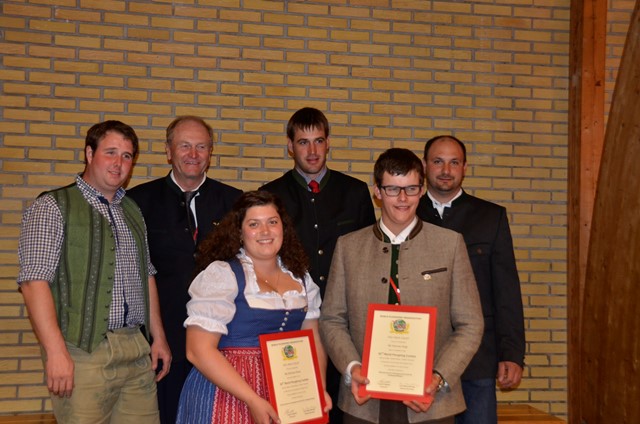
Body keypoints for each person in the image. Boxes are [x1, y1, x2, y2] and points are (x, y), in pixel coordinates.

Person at [17, 120, 171, 423]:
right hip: (82, 352)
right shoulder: (52, 206)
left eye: (127, 156)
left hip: (136, 348)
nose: (118, 163)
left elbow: (147, 275)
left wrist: (159, 338)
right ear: (89, 153)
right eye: (110, 152)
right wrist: (55, 352)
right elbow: (34, 283)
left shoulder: (132, 210)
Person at [319, 148, 483, 424]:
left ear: (422, 190)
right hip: (364, 404)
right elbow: (331, 320)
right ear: (378, 192)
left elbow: (471, 324)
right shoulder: (348, 247)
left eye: (411, 188)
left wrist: (439, 377)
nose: (403, 198)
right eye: (393, 189)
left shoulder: (450, 244)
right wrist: (352, 367)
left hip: (431, 403)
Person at [176, 190, 331, 424]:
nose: (265, 231)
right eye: (254, 224)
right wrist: (252, 399)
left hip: (287, 390)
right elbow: (198, 351)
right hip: (228, 392)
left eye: (272, 222)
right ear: (239, 232)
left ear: (283, 228)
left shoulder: (301, 278)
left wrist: (317, 389)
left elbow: (313, 341)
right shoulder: (223, 275)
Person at [260, 107, 376, 422]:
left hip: (347, 320)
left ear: (328, 143)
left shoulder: (355, 192)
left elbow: (370, 256)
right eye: (303, 142)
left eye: (319, 141)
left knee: (348, 406)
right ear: (290, 146)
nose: (312, 151)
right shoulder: (271, 195)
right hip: (293, 319)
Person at [127, 115, 242, 423]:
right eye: (185, 146)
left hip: (220, 342)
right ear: (168, 151)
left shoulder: (235, 203)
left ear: (210, 152)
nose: (193, 154)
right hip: (161, 344)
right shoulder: (137, 202)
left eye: (201, 147)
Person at [417, 135, 525, 424]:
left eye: (454, 162)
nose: (446, 170)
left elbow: (506, 291)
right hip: (421, 358)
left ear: (465, 168)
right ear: (425, 166)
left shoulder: (490, 217)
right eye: (438, 161)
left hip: (478, 360)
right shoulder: (407, 214)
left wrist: (512, 353)